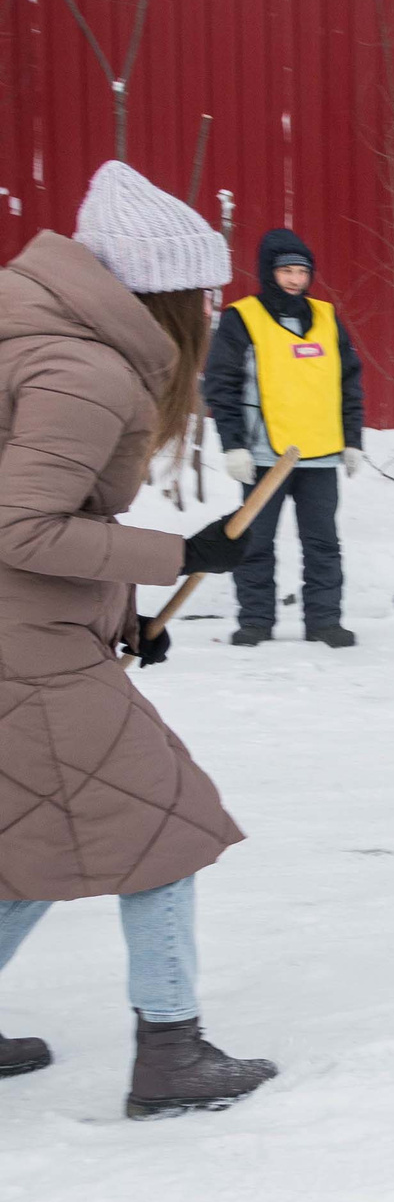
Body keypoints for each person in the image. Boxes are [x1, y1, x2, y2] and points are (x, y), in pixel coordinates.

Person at [0, 161, 277, 1116]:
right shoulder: (80, 366)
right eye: (197, 291)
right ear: (154, 290)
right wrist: (180, 551)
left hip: (29, 628)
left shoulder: (32, 329)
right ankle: (171, 1056)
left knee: (33, 832)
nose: (207, 309)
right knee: (162, 820)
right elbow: (21, 528)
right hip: (21, 646)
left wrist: (121, 616)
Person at [201, 226, 366, 648]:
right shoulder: (243, 318)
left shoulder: (326, 318)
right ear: (267, 272)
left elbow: (348, 382)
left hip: (321, 454)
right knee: (255, 543)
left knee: (323, 544)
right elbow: (222, 383)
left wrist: (352, 440)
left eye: (301, 271)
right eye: (286, 271)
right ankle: (255, 621)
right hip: (263, 456)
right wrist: (233, 443)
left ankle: (324, 621)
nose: (295, 279)